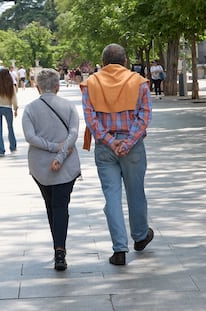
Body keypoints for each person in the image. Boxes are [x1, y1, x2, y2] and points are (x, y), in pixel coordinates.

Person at [81, 43, 153, 266]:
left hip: (105, 147)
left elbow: (90, 119)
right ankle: (140, 236)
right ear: (125, 60)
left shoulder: (90, 84)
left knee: (111, 196)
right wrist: (128, 142)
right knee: (136, 192)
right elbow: (145, 116)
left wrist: (112, 143)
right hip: (133, 147)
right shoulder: (138, 82)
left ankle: (119, 249)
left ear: (103, 63)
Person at [22, 68, 81, 271]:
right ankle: (60, 250)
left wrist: (51, 148)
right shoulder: (69, 106)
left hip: (40, 166)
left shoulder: (30, 109)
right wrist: (61, 154)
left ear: (37, 87)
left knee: (50, 205)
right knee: (61, 206)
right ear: (58, 86)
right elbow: (73, 133)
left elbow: (30, 137)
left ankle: (58, 248)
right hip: (67, 166)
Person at [0, 69, 18, 157]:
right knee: (10, 127)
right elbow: (14, 97)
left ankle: (1, 150)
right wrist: (15, 108)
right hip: (7, 107)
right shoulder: (10, 85)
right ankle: (12, 146)